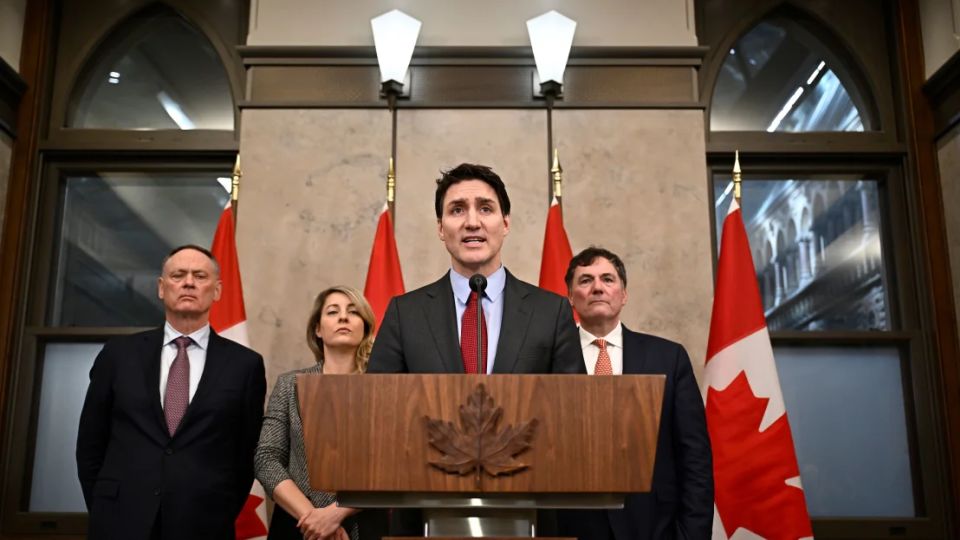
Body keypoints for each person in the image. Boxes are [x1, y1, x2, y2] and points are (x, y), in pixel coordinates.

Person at [76, 244, 266, 540]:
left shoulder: (245, 365)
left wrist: (220, 509)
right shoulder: (118, 354)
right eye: (178, 275)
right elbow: (90, 442)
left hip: (204, 523)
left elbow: (246, 453)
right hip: (119, 519)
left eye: (199, 276)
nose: (189, 283)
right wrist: (104, 507)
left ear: (217, 290)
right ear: (161, 288)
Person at [556, 247, 713, 540]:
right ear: (570, 297)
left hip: (654, 526)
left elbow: (694, 458)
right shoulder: (550, 359)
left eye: (608, 279)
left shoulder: (669, 358)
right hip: (573, 527)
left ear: (624, 294)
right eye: (586, 280)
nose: (598, 288)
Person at [368, 162, 584, 375]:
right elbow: (379, 394)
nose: (472, 222)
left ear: (505, 223)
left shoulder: (551, 312)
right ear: (441, 228)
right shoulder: (405, 314)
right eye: (457, 210)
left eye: (485, 209)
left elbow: (572, 395)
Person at [255, 286, 388, 540]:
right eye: (333, 312)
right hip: (298, 524)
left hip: (365, 525)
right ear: (318, 329)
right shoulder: (289, 385)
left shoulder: (384, 388)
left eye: (353, 312)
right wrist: (314, 518)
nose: (343, 317)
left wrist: (335, 513)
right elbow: (266, 459)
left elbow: (395, 465)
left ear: (366, 327)